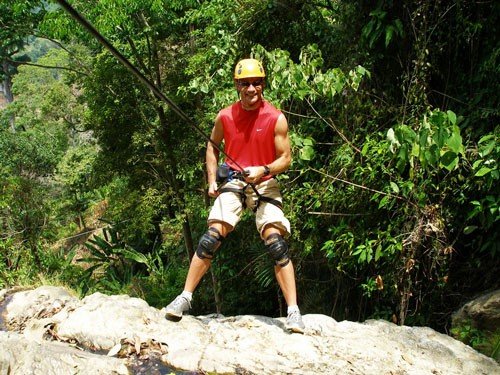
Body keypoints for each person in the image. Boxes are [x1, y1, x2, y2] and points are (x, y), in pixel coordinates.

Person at [165, 58, 305, 333]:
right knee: (212, 237)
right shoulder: (225, 116)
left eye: (256, 83)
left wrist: (263, 169)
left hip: (264, 181)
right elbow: (212, 145)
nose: (251, 88)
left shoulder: (275, 117)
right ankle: (185, 298)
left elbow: (286, 158)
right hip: (234, 180)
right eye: (245, 83)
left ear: (263, 84)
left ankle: (293, 311)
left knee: (275, 241)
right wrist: (211, 180)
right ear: (237, 85)